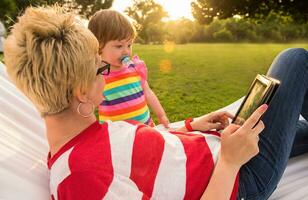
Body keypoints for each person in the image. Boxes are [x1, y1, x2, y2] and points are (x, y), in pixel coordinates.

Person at [3, 6, 308, 200]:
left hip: (222, 147)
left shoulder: (84, 131)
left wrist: (192, 126)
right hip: (241, 180)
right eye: (101, 70)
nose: (106, 74)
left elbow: (145, 149)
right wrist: (230, 162)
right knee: (295, 60)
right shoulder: (81, 179)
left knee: (297, 129)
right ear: (81, 91)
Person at [88, 10, 169, 127]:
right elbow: (88, 105)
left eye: (129, 45)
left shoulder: (135, 68)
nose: (126, 51)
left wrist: (161, 115)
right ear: (98, 45)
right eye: (119, 46)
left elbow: (148, 92)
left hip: (145, 129)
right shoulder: (98, 76)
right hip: (116, 136)